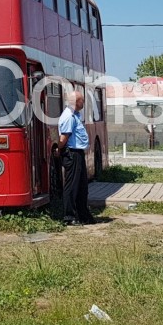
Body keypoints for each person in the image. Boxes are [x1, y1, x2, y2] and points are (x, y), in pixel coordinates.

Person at [57, 91, 94, 225]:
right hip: (72, 153)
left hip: (78, 153)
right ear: (76, 102)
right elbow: (63, 138)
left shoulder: (75, 115)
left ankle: (83, 215)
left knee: (82, 186)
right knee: (72, 186)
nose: (83, 103)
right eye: (82, 100)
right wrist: (59, 149)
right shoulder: (69, 117)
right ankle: (69, 216)